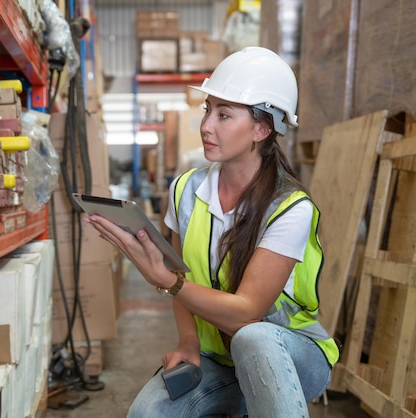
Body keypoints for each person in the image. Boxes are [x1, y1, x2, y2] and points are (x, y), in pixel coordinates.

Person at [85, 46, 339, 418]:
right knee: (147, 414)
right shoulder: (185, 190)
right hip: (220, 359)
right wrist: (188, 341)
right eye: (208, 110)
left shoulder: (290, 208)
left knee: (254, 338)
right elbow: (182, 273)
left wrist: (168, 282)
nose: (206, 126)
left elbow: (246, 313)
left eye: (224, 115)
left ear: (261, 128)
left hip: (290, 355)